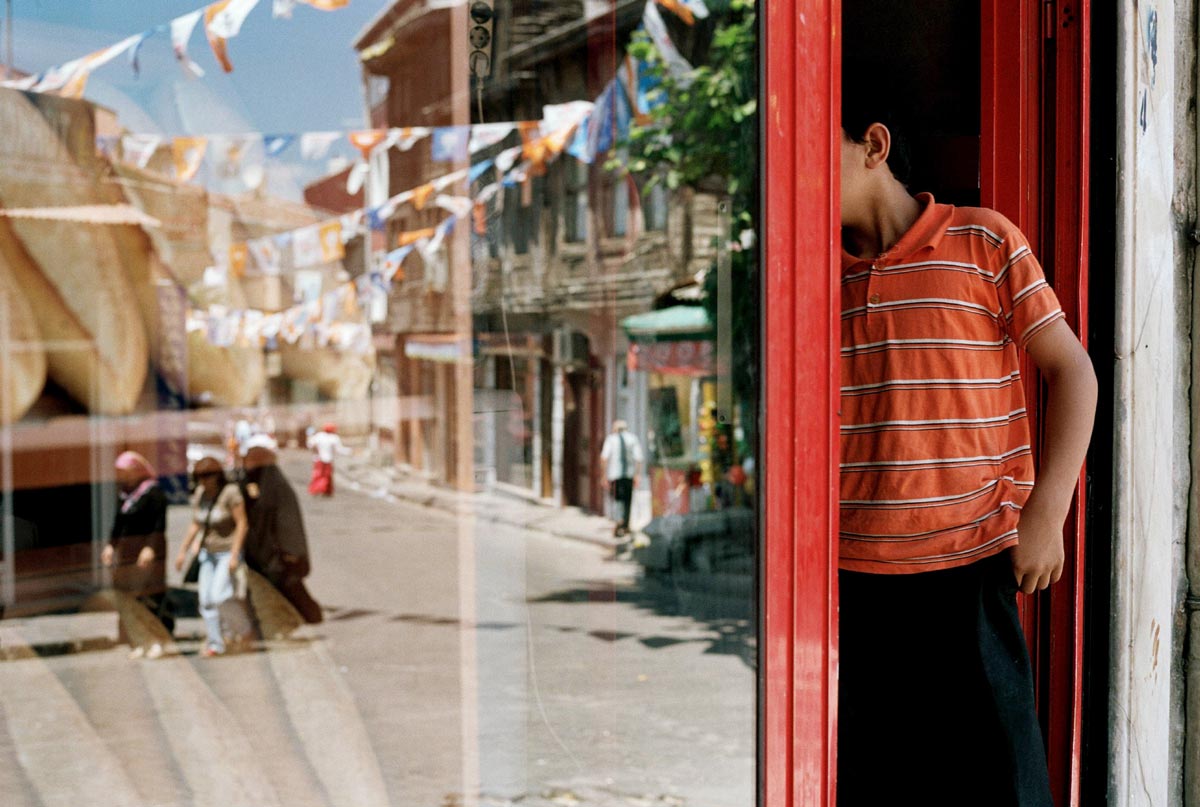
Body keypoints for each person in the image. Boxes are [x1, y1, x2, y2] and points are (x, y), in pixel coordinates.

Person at [835, 97, 1098, 807]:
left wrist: (1048, 511)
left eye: (812, 149)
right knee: (877, 782)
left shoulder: (985, 243)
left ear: (873, 144)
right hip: (855, 585)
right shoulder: (816, 281)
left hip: (971, 572)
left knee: (997, 782)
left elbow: (1074, 372)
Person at [240, 436, 322, 624]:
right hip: (258, 552)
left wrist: (291, 551)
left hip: (277, 553)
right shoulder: (252, 484)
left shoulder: (277, 486)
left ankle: (306, 614)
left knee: (283, 586)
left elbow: (288, 520)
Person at [174, 457, 249, 656]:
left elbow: (242, 524)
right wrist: (183, 551)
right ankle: (216, 643)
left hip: (226, 552)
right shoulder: (201, 494)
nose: (204, 481)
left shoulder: (230, 493)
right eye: (199, 477)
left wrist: (234, 555)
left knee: (220, 596)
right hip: (208, 553)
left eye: (207, 476)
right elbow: (196, 524)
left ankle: (244, 629)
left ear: (217, 475)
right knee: (206, 600)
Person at [103, 451, 171, 658]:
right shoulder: (125, 495)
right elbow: (118, 524)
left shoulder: (153, 494)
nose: (122, 476)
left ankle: (156, 640)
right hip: (127, 555)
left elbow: (158, 525)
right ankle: (139, 641)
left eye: (125, 471)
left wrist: (150, 547)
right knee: (129, 599)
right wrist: (110, 546)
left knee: (149, 597)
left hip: (149, 554)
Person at [599, 420, 643, 538]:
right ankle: (625, 525)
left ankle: (619, 521)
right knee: (628, 500)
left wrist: (603, 475)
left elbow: (604, 457)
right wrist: (637, 474)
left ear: (615, 428)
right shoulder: (633, 439)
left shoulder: (611, 439)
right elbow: (639, 458)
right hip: (629, 475)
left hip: (615, 475)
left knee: (618, 499)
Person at [306, 423, 349, 497]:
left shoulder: (319, 436)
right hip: (327, 460)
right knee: (326, 476)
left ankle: (318, 490)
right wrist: (350, 451)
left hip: (318, 459)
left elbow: (310, 444)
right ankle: (324, 490)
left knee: (318, 475)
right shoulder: (334, 438)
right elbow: (339, 449)